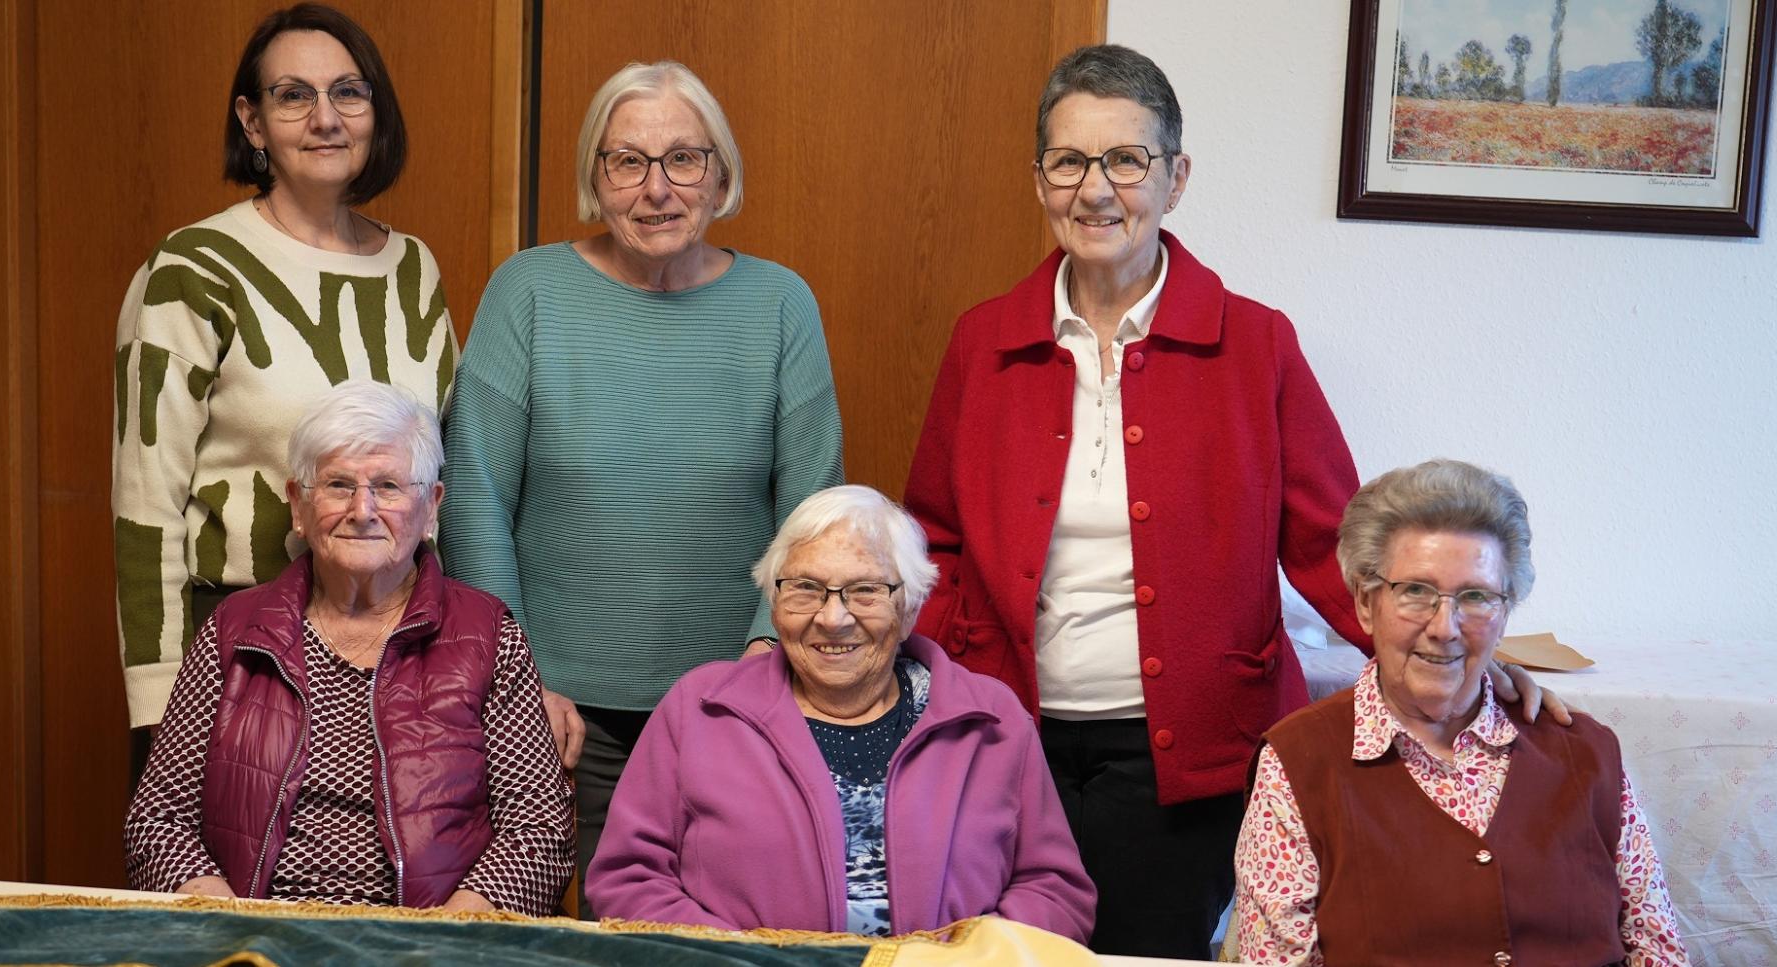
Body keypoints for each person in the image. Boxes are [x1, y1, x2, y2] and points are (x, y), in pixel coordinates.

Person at [901, 44, 1564, 957]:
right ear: (1040, 178)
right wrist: (948, 681)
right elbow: (931, 540)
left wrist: (1446, 653)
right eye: (1068, 161)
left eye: (1126, 160)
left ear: (1175, 179)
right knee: (1000, 953)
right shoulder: (983, 342)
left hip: (1191, 756)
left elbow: (1340, 543)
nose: (1095, 189)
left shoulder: (1254, 343)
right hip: (1006, 740)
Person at [438, 60, 844, 907]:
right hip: (558, 710)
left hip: (733, 702)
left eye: (684, 159)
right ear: (596, 177)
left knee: (720, 933)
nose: (657, 189)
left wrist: (762, 661)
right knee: (574, 939)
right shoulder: (528, 291)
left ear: (721, 175)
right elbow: (474, 497)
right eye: (628, 161)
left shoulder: (781, 304)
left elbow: (811, 512)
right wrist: (519, 682)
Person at [112, 4, 457, 771]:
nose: (325, 118)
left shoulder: (413, 269)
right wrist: (160, 704)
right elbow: (145, 504)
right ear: (253, 120)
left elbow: (438, 476)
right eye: (294, 95)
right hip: (240, 651)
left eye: (348, 92)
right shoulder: (193, 270)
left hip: (400, 655)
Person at [124, 380, 574, 913]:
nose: (363, 510)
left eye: (388, 486)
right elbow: (158, 819)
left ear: (431, 508)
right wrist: (231, 922)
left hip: (428, 938)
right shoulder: (234, 630)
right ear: (298, 505)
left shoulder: (488, 634)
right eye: (338, 485)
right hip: (258, 934)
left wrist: (446, 934)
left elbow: (539, 830)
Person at [587, 485, 1094, 940]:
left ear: (910, 608)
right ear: (774, 604)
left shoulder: (991, 719)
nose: (833, 618)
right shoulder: (700, 709)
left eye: (866, 590)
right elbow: (629, 878)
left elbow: (1053, 889)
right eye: (806, 588)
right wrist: (748, 962)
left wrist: (969, 961)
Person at [1234, 459, 1687, 965]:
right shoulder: (1298, 764)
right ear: (1365, 602)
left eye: (1475, 596)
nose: (1444, 627)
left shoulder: (1585, 752)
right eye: (1415, 591)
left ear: (1505, 612)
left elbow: (1657, 948)